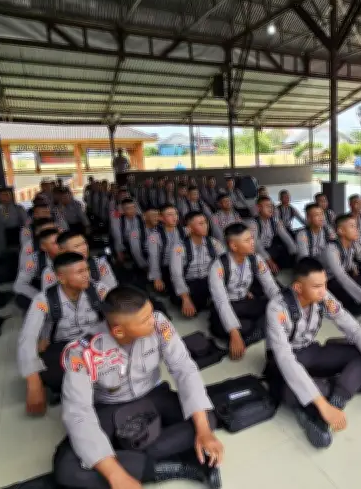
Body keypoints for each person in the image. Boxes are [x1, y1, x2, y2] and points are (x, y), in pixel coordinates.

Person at [53, 286, 224, 489]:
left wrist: (203, 431)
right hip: (111, 408)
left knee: (207, 419)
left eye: (151, 313)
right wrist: (115, 475)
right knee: (67, 468)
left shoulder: (159, 324)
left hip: (153, 396)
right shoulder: (82, 352)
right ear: (119, 331)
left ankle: (129, 457)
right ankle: (168, 466)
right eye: (145, 320)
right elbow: (78, 412)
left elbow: (184, 369)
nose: (153, 321)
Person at [264, 258, 361, 449]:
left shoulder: (323, 297)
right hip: (281, 365)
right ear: (298, 287)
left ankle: (336, 399)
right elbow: (285, 359)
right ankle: (344, 387)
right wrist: (322, 405)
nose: (323, 291)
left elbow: (354, 329)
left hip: (310, 352)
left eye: (325, 284)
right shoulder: (277, 308)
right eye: (317, 286)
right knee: (288, 391)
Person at [17, 252, 111, 416]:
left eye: (87, 270)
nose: (87, 275)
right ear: (61, 278)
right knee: (49, 371)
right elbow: (27, 338)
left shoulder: (100, 290)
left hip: (96, 343)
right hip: (64, 347)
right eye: (79, 272)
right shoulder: (43, 300)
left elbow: (121, 315)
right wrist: (33, 383)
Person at [208, 223, 280, 360]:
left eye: (252, 238)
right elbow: (222, 302)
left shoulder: (256, 259)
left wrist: (285, 307)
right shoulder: (218, 267)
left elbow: (271, 286)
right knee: (240, 327)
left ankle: (249, 334)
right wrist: (234, 333)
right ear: (234, 246)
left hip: (246, 301)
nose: (253, 243)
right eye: (247, 240)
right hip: (228, 305)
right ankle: (249, 332)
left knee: (274, 306)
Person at [171, 211, 226, 318]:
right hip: (190, 283)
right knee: (190, 306)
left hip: (209, 280)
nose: (205, 226)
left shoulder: (213, 242)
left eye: (205, 222)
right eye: (200, 224)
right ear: (189, 228)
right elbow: (176, 275)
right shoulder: (179, 247)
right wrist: (186, 299)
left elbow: (225, 261)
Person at [322, 215, 361, 317]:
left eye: (356, 226)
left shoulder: (354, 244)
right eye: (352, 226)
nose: (357, 229)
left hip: (348, 274)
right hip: (331, 281)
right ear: (341, 231)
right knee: (356, 307)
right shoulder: (331, 249)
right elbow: (341, 277)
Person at [40, 231, 118, 290]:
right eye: (77, 246)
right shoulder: (51, 271)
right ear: (63, 251)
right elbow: (49, 297)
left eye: (84, 243)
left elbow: (112, 288)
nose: (84, 248)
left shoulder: (99, 263)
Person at [14, 228, 61, 311]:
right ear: (43, 246)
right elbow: (19, 285)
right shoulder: (33, 260)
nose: (60, 246)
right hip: (44, 290)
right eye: (54, 243)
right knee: (22, 299)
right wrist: (41, 298)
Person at [250, 196, 296, 272]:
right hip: (257, 252)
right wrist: (269, 261)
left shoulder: (275, 221)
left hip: (270, 248)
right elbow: (256, 245)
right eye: (267, 206)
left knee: (288, 254)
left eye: (271, 206)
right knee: (263, 268)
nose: (270, 209)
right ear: (259, 208)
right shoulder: (253, 223)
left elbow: (286, 238)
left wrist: (295, 253)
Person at [148, 204, 183, 304]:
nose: (174, 217)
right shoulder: (154, 236)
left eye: (176, 214)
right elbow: (153, 257)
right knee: (176, 296)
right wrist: (157, 278)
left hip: (182, 265)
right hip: (166, 267)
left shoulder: (183, 231)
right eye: (170, 215)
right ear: (161, 218)